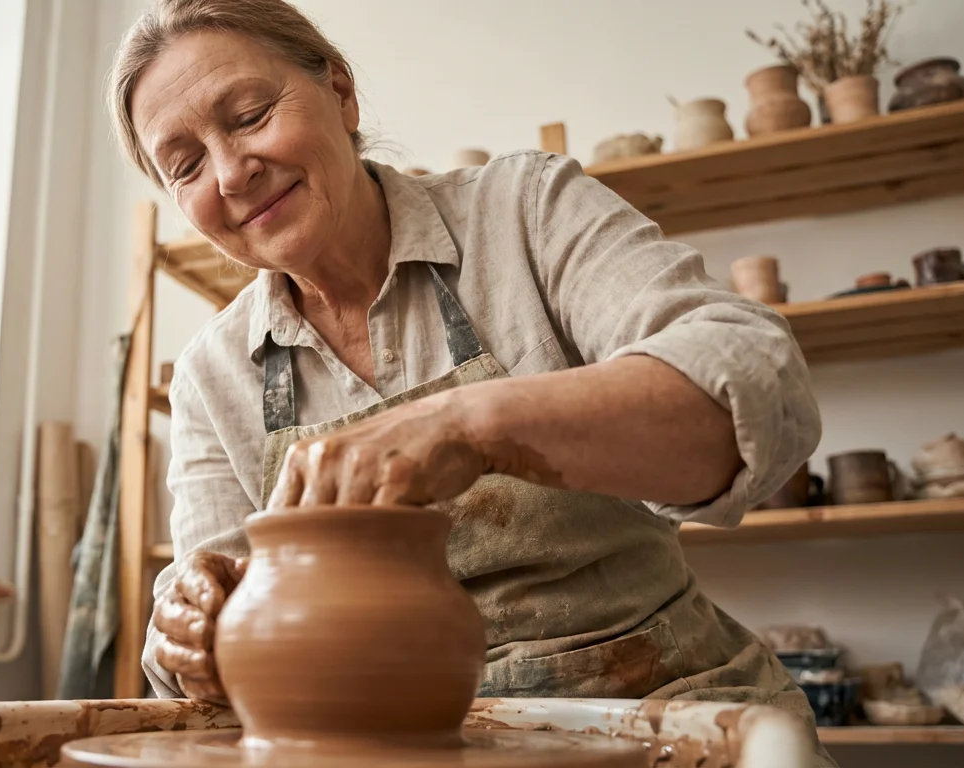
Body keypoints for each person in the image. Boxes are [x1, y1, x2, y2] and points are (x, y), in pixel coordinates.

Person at [107, 0, 834, 765]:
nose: (231, 173)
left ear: (341, 91)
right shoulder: (212, 374)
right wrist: (192, 629)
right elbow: (222, 647)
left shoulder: (523, 211)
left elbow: (758, 384)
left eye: (250, 114)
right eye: (185, 165)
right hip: (391, 746)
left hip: (661, 708)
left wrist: (472, 424)